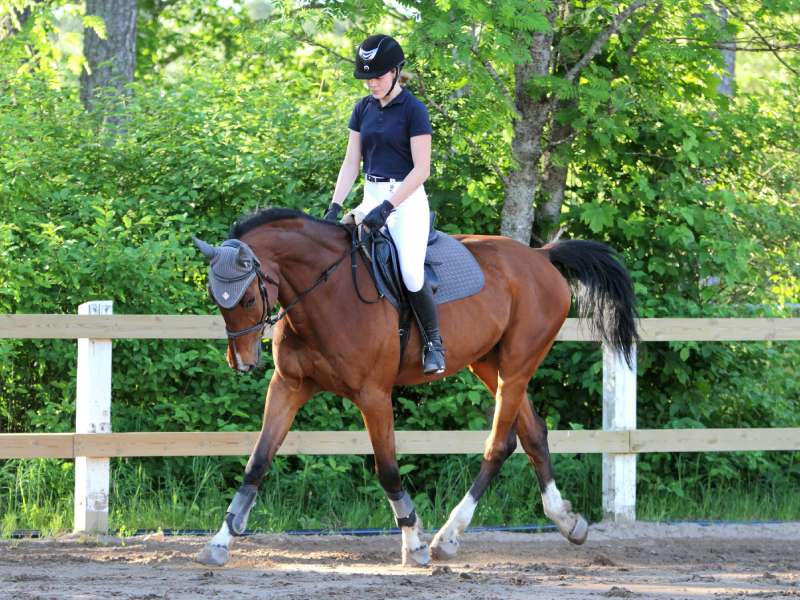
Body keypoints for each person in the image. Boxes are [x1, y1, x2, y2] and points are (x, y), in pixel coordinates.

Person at [324, 34, 445, 375]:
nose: (372, 83)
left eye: (377, 76)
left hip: (406, 201)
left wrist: (389, 207)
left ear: (395, 72)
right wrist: (335, 205)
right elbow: (351, 163)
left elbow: (422, 170)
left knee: (409, 270)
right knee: (335, 253)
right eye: (367, 78)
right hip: (371, 196)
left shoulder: (413, 110)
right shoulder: (361, 109)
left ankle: (434, 343)